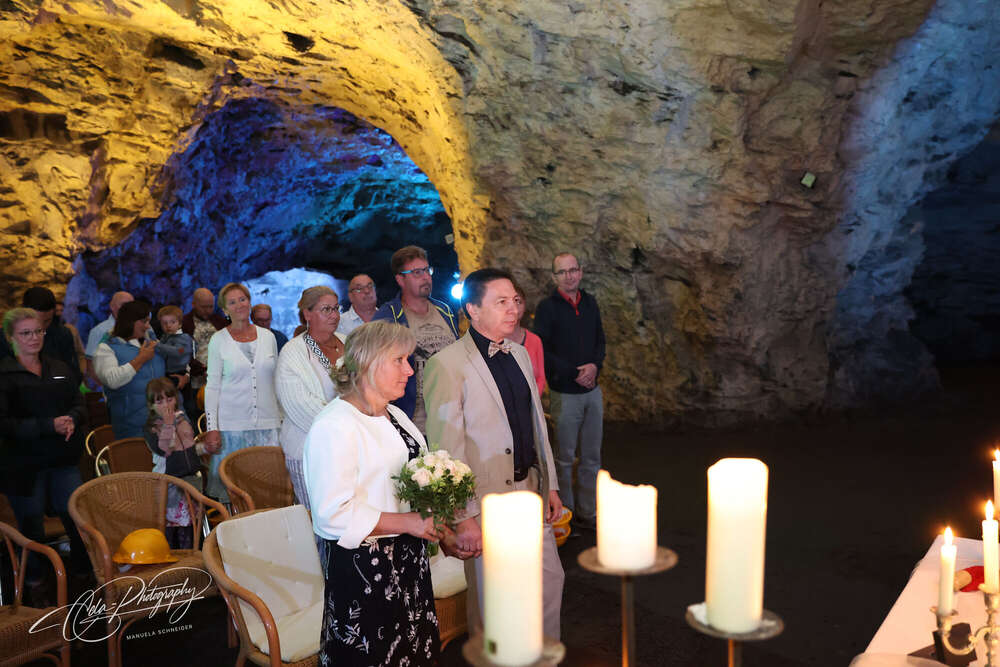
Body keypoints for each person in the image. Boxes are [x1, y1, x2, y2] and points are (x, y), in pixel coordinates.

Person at [423, 268, 564, 640]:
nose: (513, 309)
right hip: (485, 501)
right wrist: (462, 515)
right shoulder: (447, 364)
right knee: (496, 602)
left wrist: (550, 484)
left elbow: (536, 425)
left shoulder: (519, 353)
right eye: (501, 302)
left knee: (549, 583)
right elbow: (445, 451)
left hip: (531, 489)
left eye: (515, 300)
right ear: (472, 309)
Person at [303, 321, 441, 666]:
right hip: (366, 570)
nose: (410, 370)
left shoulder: (396, 415)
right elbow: (331, 514)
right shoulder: (334, 425)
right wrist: (409, 522)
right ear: (367, 362)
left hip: (407, 562)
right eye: (399, 360)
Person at [0, 307, 90, 586]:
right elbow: (4, 424)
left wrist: (72, 419)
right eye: (26, 333)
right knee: (31, 526)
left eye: (38, 331)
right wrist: (48, 426)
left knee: (77, 518)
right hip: (24, 465)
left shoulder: (58, 367)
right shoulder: (4, 375)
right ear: (10, 337)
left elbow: (79, 403)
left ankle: (85, 577)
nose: (34, 338)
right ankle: (34, 584)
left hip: (63, 459)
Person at [533, 253, 606, 530]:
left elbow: (600, 341)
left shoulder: (590, 302)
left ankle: (589, 511)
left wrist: (594, 367)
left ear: (581, 272)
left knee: (592, 457)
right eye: (562, 272)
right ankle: (567, 513)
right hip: (564, 392)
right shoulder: (547, 308)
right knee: (564, 458)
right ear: (554, 277)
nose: (569, 276)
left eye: (573, 270)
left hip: (592, 391)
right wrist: (575, 373)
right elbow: (543, 350)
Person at [202, 282, 280, 501]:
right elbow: (212, 386)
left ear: (249, 301)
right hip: (232, 429)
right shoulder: (218, 340)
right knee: (237, 493)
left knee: (270, 490)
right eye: (232, 302)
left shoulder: (268, 337)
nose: (239, 305)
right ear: (224, 309)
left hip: (268, 425)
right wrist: (212, 427)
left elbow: (276, 380)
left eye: (243, 299)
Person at [372, 246, 459, 431]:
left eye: (427, 270)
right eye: (417, 272)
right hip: (414, 423)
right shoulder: (388, 316)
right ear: (400, 279)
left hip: (453, 419)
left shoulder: (445, 311)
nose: (426, 277)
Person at [275, 286, 346, 509]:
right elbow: (300, 406)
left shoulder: (349, 342)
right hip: (310, 450)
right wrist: (349, 425)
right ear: (307, 313)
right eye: (326, 309)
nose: (334, 315)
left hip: (352, 447)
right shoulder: (293, 352)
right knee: (319, 517)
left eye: (336, 308)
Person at [142, 377, 210, 548]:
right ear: (151, 406)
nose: (166, 405)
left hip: (190, 482)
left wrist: (205, 448)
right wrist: (168, 425)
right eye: (160, 401)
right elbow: (164, 449)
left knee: (194, 527)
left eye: (170, 399)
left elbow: (190, 449)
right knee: (177, 531)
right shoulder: (152, 427)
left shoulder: (183, 420)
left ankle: (199, 555)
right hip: (170, 485)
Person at [93, 301, 165, 438]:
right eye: (143, 321)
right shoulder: (106, 348)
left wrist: (184, 374)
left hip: (163, 425)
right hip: (131, 428)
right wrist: (140, 359)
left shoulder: (153, 344)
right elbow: (112, 380)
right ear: (129, 321)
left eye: (148, 321)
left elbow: (177, 360)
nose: (147, 326)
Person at [0, 287, 81, 382]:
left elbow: (73, 373)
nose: (41, 327)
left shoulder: (62, 334)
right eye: (26, 333)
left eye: (47, 321)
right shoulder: (4, 336)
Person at [181, 287, 228, 399]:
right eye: (203, 307)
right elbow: (182, 352)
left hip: (221, 378)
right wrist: (200, 369)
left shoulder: (221, 321)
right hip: (196, 379)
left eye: (210, 306)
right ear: (193, 304)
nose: (207, 310)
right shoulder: (184, 323)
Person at [84, 290, 133, 376]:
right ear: (112, 306)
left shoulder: (140, 329)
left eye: (131, 305)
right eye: (123, 305)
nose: (128, 309)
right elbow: (90, 364)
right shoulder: (99, 331)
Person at [512, 281, 546, 395]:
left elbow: (541, 378)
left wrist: (532, 401)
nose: (514, 307)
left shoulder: (535, 340)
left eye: (518, 301)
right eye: (505, 302)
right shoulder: (493, 341)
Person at [155, 305, 192, 390]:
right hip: (167, 373)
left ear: (180, 324)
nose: (168, 325)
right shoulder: (165, 337)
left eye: (173, 322)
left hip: (181, 373)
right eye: (164, 323)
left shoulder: (184, 338)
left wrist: (158, 345)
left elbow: (178, 351)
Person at [55, 299, 86, 376]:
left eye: (61, 310)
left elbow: (81, 353)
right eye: (56, 311)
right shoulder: (46, 331)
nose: (59, 313)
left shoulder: (71, 330)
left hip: (71, 372)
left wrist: (82, 372)